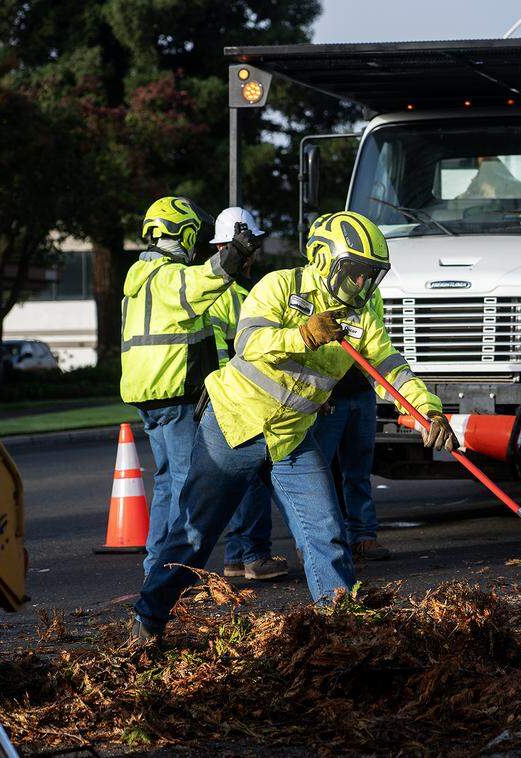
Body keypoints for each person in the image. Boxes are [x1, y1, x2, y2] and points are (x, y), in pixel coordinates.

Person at [131, 211, 459, 640]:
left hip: (291, 437)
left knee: (326, 532)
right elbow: (247, 342)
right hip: (233, 426)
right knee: (193, 537)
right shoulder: (280, 286)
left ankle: (342, 630)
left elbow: (391, 368)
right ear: (325, 260)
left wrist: (427, 412)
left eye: (371, 276)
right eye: (356, 273)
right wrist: (302, 334)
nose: (363, 285)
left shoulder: (360, 317)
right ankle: (147, 620)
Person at [120, 196, 259, 576]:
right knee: (187, 486)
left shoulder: (136, 281)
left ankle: (156, 568)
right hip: (175, 393)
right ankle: (174, 576)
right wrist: (234, 254)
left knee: (166, 484)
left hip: (147, 398)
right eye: (193, 236)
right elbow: (205, 279)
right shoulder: (166, 276)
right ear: (182, 234)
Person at [206, 207, 288, 581]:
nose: (254, 254)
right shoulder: (229, 295)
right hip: (239, 398)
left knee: (245, 482)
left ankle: (238, 557)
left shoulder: (236, 291)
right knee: (254, 479)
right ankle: (254, 555)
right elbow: (230, 352)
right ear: (231, 246)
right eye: (248, 245)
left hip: (230, 396)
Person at [312, 291, 389, 562]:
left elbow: (377, 340)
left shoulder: (371, 292)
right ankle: (323, 542)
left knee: (358, 468)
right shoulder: (319, 288)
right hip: (329, 392)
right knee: (319, 473)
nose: (360, 280)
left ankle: (363, 536)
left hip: (362, 390)